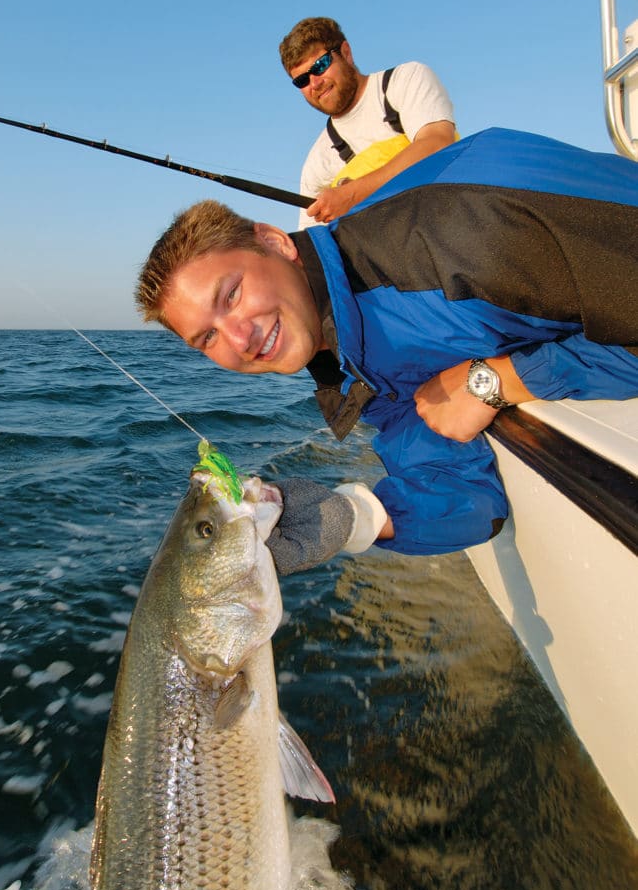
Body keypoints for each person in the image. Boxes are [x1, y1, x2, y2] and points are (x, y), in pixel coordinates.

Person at [135, 127, 638, 576]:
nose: (240, 339)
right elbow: (467, 495)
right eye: (208, 338)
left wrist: (501, 379)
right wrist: (351, 519)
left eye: (232, 294)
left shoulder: (467, 227)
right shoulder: (346, 357)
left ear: (275, 242)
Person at [278, 16, 456, 228]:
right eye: (302, 80)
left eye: (320, 65)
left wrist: (352, 194)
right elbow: (313, 239)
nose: (314, 83)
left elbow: (438, 144)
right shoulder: (317, 164)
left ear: (346, 52)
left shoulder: (406, 79)